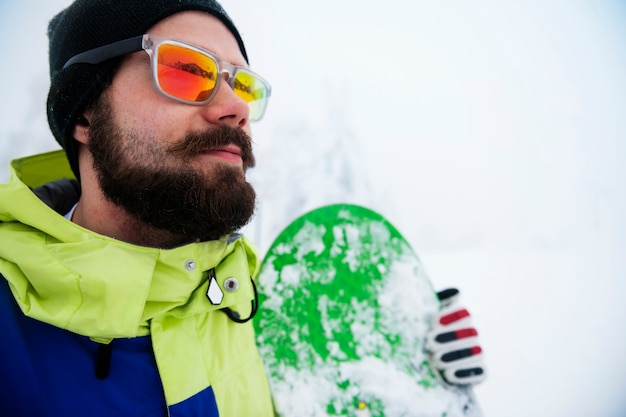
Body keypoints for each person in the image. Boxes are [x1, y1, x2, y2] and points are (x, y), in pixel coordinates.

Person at [0, 0, 484, 415]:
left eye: (244, 85)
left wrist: (411, 381)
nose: (236, 106)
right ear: (83, 111)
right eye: (187, 70)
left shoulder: (261, 303)